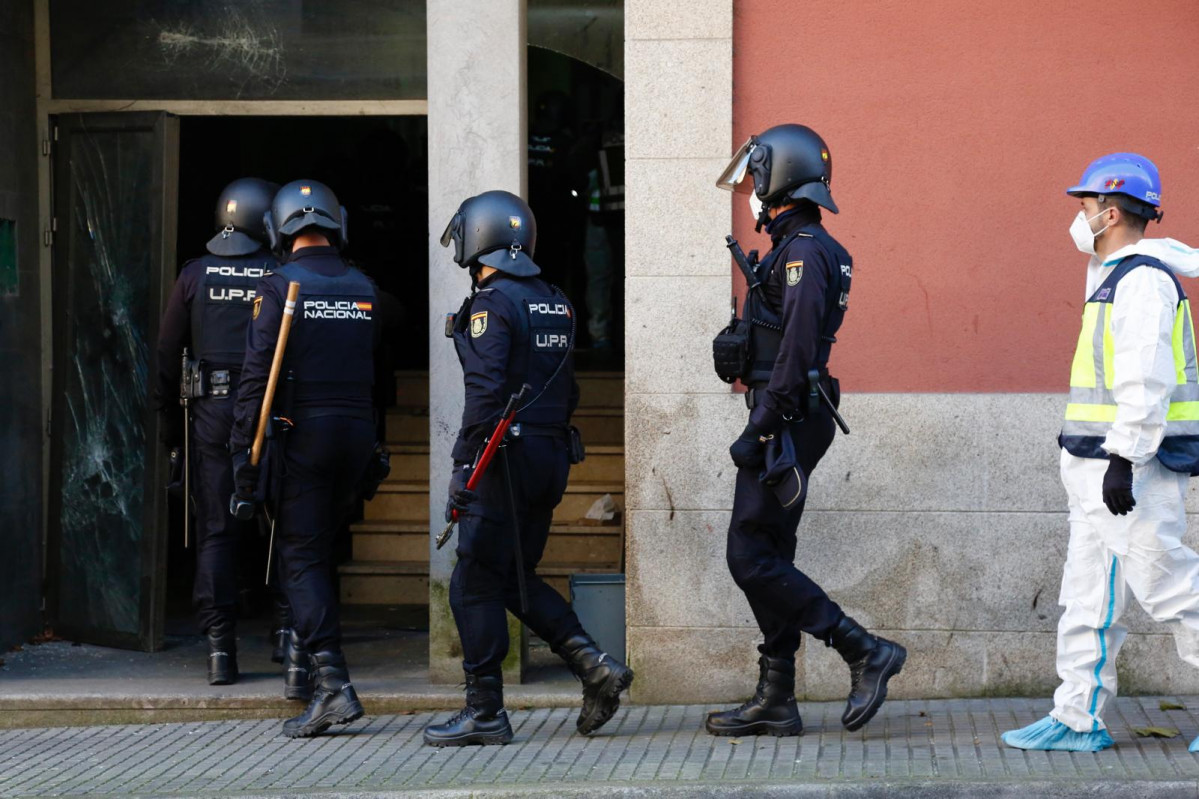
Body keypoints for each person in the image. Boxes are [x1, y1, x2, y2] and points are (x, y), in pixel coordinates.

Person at [707, 124, 905, 738]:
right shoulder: (799, 246)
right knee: (772, 553)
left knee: (748, 553)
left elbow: (794, 354)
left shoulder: (806, 252)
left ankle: (862, 648)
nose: (751, 192)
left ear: (779, 179)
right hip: (787, 412)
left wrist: (760, 428)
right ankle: (777, 697)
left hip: (787, 415)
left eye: (757, 178)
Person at [1002, 154, 1199, 753]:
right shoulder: (1115, 273)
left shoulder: (1141, 281)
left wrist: (1124, 459)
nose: (1080, 216)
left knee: (1173, 589)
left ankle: (1077, 716)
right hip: (1095, 465)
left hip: (1129, 469)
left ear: (1109, 212)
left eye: (1085, 207)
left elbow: (1146, 380)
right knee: (1090, 592)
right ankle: (1076, 717)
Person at [423, 190, 633, 747]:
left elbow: (485, 393)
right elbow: (569, 388)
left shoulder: (493, 304)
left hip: (503, 457)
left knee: (471, 584)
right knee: (512, 577)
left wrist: (463, 467)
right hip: (547, 455)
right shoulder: (554, 299)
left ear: (480, 239)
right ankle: (594, 666)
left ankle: (485, 710)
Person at [230, 179, 385, 738]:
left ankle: (332, 683)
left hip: (304, 438)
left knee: (299, 557)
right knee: (319, 553)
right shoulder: (363, 286)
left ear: (278, 227)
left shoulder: (279, 288)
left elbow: (255, 382)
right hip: (356, 435)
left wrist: (242, 460)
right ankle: (313, 672)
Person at [153, 177, 284, 686]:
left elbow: (167, 352)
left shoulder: (194, 275)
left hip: (210, 413)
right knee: (283, 527)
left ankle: (220, 652)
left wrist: (167, 418)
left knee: (215, 531)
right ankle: (286, 637)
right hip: (268, 412)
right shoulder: (278, 274)